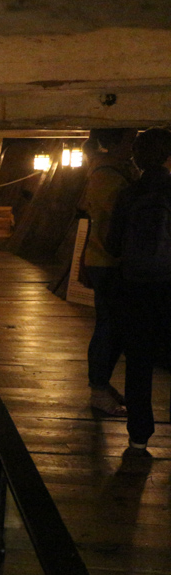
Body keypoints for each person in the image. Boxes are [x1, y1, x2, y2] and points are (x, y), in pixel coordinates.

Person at [106, 127, 171, 452]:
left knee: (139, 363)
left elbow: (113, 244)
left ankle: (138, 437)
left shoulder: (129, 194)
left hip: (135, 287)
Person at [80, 128, 136, 416]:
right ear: (115, 143)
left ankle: (102, 384)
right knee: (108, 327)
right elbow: (118, 218)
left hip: (107, 259)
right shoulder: (106, 176)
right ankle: (98, 389)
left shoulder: (112, 171)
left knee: (112, 326)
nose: (134, 144)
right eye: (130, 138)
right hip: (107, 260)